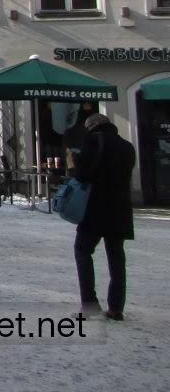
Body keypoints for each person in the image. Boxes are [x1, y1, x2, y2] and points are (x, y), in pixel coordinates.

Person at [73, 113, 136, 321]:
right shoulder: (127, 146)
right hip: (120, 209)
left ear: (93, 126)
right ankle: (116, 307)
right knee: (116, 256)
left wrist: (74, 161)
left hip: (95, 208)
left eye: (87, 127)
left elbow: (84, 174)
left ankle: (90, 304)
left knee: (82, 251)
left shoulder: (93, 140)